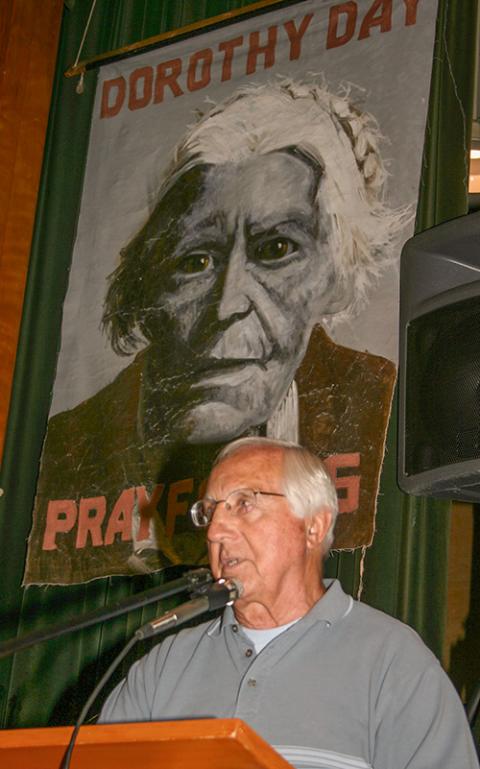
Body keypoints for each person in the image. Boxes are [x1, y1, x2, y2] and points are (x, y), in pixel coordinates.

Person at [25, 79, 402, 583]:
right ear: (151, 291)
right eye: (196, 260)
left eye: (275, 251)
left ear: (334, 276)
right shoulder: (74, 449)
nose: (227, 304)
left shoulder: (384, 404)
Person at [100, 437, 479, 769]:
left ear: (313, 526)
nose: (215, 530)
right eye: (211, 511)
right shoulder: (163, 669)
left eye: (244, 503)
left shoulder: (395, 664)